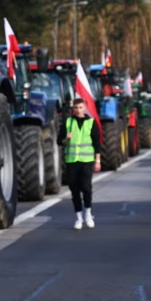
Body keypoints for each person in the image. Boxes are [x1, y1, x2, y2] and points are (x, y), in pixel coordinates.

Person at [59, 98, 102, 230]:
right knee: (74, 190)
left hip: (87, 161)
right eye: (76, 108)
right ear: (73, 109)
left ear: (84, 108)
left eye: (80, 107)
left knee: (86, 188)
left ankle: (88, 214)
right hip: (72, 161)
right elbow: (59, 141)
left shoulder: (91, 123)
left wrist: (97, 161)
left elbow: (96, 143)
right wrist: (67, 138)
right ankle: (79, 218)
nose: (78, 110)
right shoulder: (67, 122)